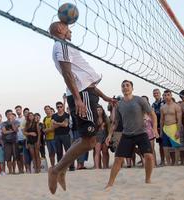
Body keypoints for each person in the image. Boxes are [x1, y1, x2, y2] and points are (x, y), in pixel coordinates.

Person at [48, 21, 115, 194]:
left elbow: (85, 80)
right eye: (68, 27)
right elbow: (68, 74)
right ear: (60, 29)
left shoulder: (67, 45)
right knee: (89, 141)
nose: (71, 31)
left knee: (85, 139)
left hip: (87, 93)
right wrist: (78, 100)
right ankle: (56, 169)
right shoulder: (61, 45)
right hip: (82, 96)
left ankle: (62, 169)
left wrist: (104, 97)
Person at [105, 80, 157, 189]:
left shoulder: (140, 100)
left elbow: (152, 114)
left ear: (132, 88)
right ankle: (110, 183)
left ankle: (148, 179)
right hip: (127, 134)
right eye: (123, 86)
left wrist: (155, 129)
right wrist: (109, 135)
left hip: (141, 133)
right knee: (118, 159)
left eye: (127, 85)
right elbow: (115, 122)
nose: (125, 87)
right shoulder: (119, 104)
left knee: (149, 156)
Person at [160, 90, 182, 165]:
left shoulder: (176, 106)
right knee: (165, 147)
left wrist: (178, 131)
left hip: (174, 126)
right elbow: (161, 119)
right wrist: (160, 131)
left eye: (168, 95)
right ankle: (168, 163)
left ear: (171, 95)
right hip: (165, 128)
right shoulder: (162, 107)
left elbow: (179, 119)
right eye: (165, 95)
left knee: (176, 147)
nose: (166, 96)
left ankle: (176, 163)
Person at [1, 110, 19, 174]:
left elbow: (16, 130)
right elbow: (4, 132)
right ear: (6, 115)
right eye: (8, 114)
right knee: (8, 158)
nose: (10, 115)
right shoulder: (3, 123)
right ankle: (10, 171)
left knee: (14, 157)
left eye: (11, 114)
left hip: (14, 141)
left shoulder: (16, 122)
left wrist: (11, 123)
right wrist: (12, 131)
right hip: (7, 142)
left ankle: (14, 170)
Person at [152, 89, 165, 166]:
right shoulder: (153, 104)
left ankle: (171, 160)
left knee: (167, 144)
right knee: (161, 144)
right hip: (157, 126)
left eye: (157, 93)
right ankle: (162, 160)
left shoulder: (164, 102)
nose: (156, 94)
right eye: (154, 93)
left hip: (165, 125)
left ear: (160, 94)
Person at [94, 105, 110, 169]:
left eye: (100, 110)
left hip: (105, 135)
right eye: (97, 110)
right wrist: (100, 126)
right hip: (97, 136)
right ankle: (97, 167)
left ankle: (105, 166)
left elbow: (109, 128)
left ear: (102, 110)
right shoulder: (94, 119)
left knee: (105, 152)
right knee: (97, 152)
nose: (99, 111)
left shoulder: (106, 118)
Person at [15, 105, 25, 173]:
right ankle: (20, 170)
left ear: (21, 110)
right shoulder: (15, 120)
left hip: (25, 138)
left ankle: (26, 169)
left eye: (19, 109)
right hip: (18, 139)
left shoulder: (25, 118)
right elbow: (15, 130)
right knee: (19, 155)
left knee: (24, 155)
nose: (18, 111)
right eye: (16, 110)